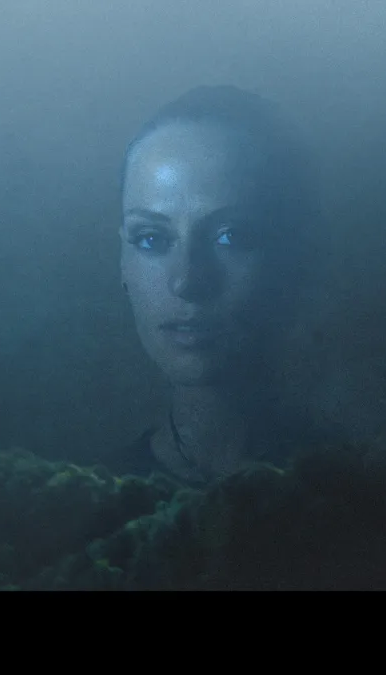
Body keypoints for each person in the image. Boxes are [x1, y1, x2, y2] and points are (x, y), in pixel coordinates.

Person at [116, 85, 332, 485]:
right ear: (123, 263)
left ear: (300, 255)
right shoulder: (80, 509)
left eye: (232, 235)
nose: (187, 281)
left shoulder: (376, 496)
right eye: (151, 238)